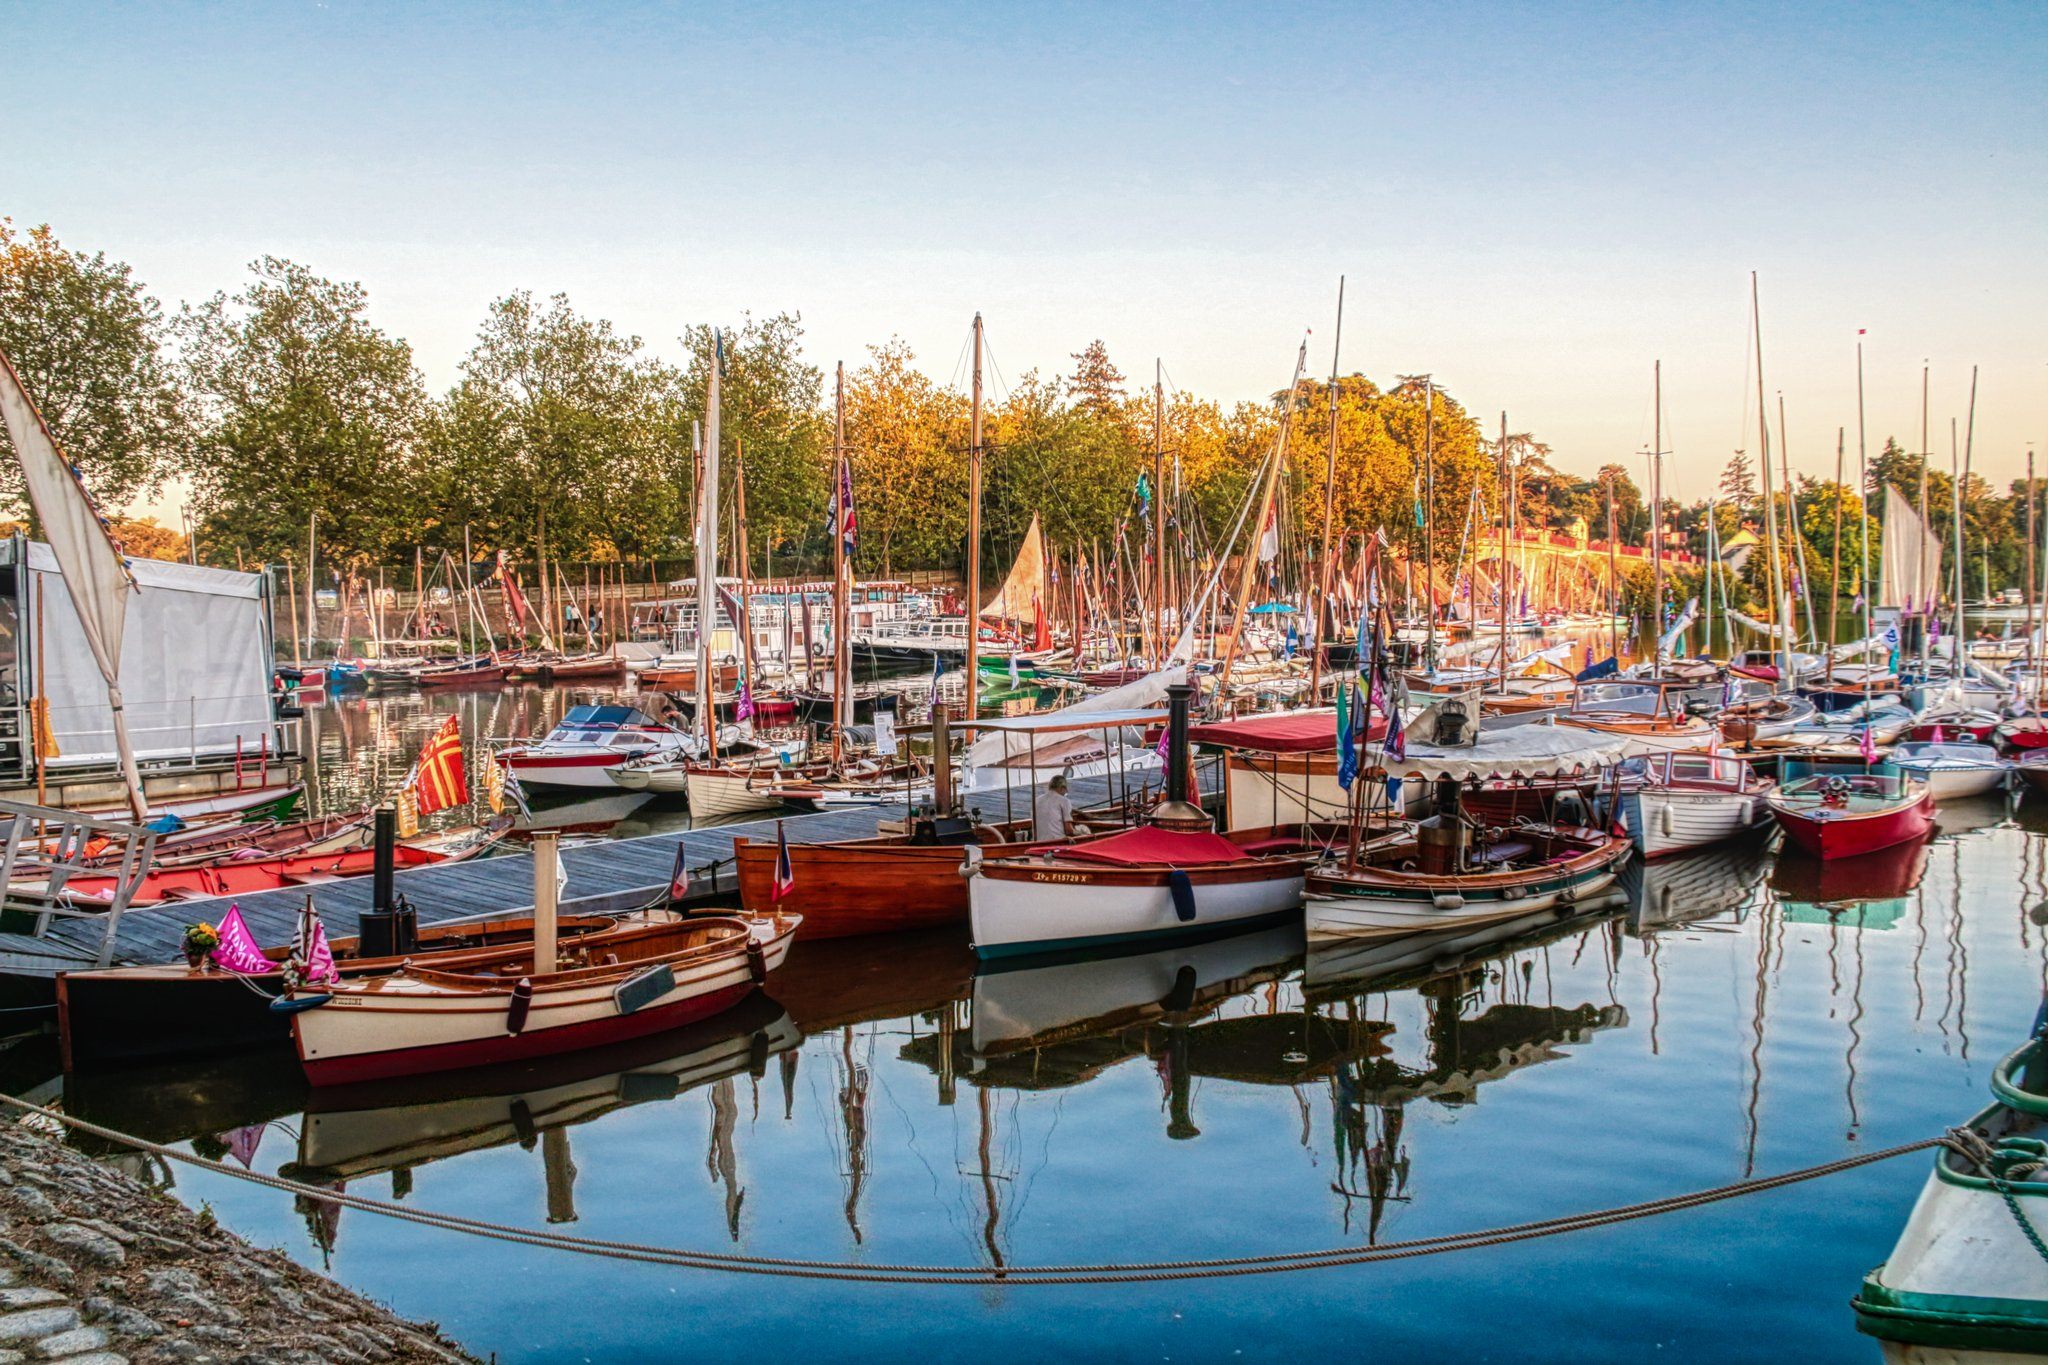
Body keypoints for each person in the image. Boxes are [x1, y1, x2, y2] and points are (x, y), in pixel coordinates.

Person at [1033, 773, 1078, 843]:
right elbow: (1069, 830)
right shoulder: (1064, 801)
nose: (1066, 792)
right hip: (1057, 841)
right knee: (1084, 830)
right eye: (1066, 789)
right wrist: (1082, 833)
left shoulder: (1036, 800)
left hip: (1039, 842)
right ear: (1062, 788)